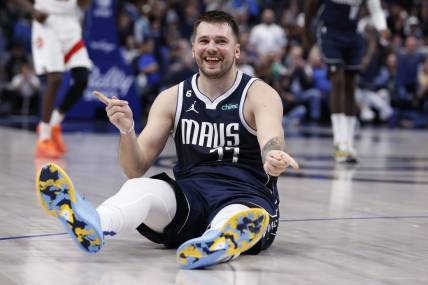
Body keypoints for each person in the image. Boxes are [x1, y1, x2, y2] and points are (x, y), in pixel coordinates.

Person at [35, 11, 299, 269]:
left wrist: (272, 155)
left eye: (221, 41)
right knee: (139, 187)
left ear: (237, 50)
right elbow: (134, 168)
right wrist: (127, 130)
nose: (212, 48)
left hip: (246, 197)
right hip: (191, 201)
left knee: (235, 216)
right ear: (193, 48)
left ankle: (219, 242)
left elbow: (271, 137)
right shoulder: (172, 98)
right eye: (204, 41)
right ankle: (94, 223)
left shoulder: (259, 94)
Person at [304, 0, 389, 163]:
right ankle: (339, 141)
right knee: (338, 81)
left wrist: (382, 27)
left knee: (351, 85)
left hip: (353, 33)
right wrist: (307, 32)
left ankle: (348, 142)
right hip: (330, 31)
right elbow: (310, 6)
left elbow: (376, 9)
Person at [17, 0, 92, 158]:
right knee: (55, 77)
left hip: (71, 23)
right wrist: (32, 10)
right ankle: (44, 137)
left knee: (82, 78)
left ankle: (54, 123)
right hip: (47, 22)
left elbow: (83, 5)